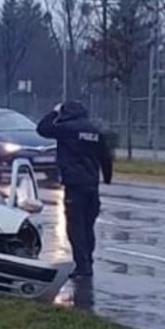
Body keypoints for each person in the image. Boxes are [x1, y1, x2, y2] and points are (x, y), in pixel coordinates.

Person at [37, 100, 113, 278]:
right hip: (92, 185)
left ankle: (83, 266)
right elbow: (106, 156)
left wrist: (54, 113)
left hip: (74, 184)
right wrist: (107, 177)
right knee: (88, 226)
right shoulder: (94, 130)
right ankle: (88, 261)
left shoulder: (66, 129)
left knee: (75, 227)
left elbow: (43, 129)